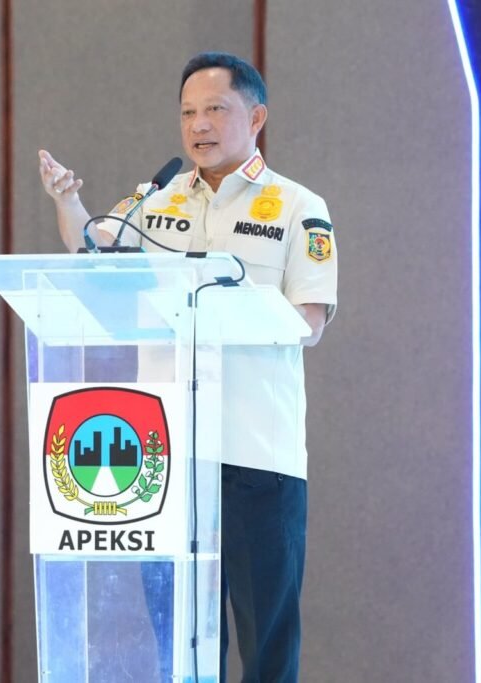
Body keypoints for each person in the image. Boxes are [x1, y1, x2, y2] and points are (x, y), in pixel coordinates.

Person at [38, 51, 338, 683]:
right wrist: (69, 202)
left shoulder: (297, 207)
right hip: (168, 455)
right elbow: (95, 250)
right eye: (187, 113)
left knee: (266, 645)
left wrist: (220, 308)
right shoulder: (157, 197)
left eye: (215, 109)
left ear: (256, 118)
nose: (199, 125)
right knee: (178, 641)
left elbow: (308, 321)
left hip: (257, 456)